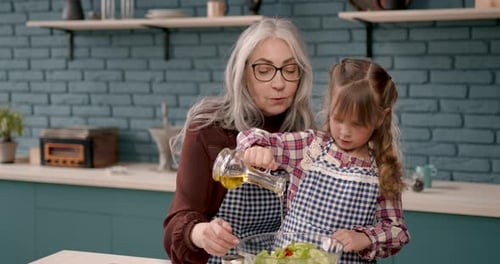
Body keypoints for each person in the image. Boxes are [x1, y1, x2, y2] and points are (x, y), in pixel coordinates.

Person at [162, 17, 315, 264]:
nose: (280, 84)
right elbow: (177, 224)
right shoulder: (209, 130)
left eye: (290, 69)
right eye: (264, 70)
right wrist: (201, 234)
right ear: (242, 72)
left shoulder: (307, 136)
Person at [237, 58, 411, 263]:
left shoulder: (383, 169)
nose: (345, 132)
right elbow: (252, 136)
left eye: (357, 124)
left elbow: (396, 231)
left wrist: (364, 237)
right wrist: (256, 148)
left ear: (380, 118)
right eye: (338, 118)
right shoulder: (311, 146)